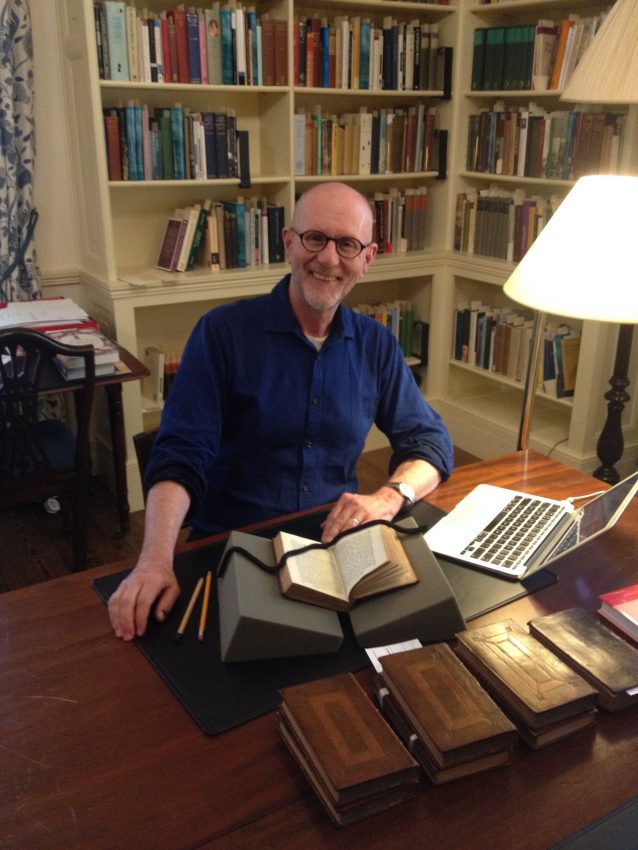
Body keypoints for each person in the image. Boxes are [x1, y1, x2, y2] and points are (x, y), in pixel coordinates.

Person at [108, 182, 453, 641]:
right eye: (315, 239)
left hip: (333, 550)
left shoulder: (376, 347)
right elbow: (180, 453)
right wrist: (154, 559)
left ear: (366, 259)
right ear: (289, 243)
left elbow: (430, 443)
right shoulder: (222, 334)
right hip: (233, 549)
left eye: (347, 244)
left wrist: (388, 498)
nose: (329, 259)